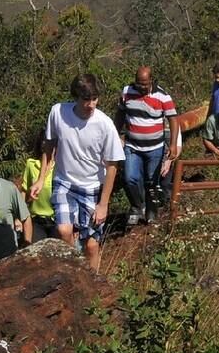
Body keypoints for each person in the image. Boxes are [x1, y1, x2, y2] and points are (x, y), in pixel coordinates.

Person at [31, 74, 124, 275]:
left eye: (95, 99)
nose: (91, 104)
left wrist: (103, 204)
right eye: (86, 99)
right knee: (64, 230)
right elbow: (49, 145)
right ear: (75, 96)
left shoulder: (105, 124)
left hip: (92, 187)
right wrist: (40, 179)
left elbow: (112, 166)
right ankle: (72, 274)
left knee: (91, 245)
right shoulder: (58, 112)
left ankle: (93, 287)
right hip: (64, 182)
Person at [117, 65, 181, 228]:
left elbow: (173, 119)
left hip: (155, 147)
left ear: (151, 80)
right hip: (133, 146)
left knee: (151, 182)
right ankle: (137, 206)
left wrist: (173, 144)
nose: (142, 87)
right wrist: (115, 134)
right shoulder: (126, 92)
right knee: (130, 178)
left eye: (145, 84)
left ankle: (151, 213)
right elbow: (120, 113)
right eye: (139, 83)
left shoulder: (163, 96)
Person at [19, 129, 58, 244]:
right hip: (36, 220)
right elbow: (24, 191)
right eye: (44, 143)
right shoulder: (31, 164)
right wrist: (19, 217)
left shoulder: (60, 168)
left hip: (57, 220)